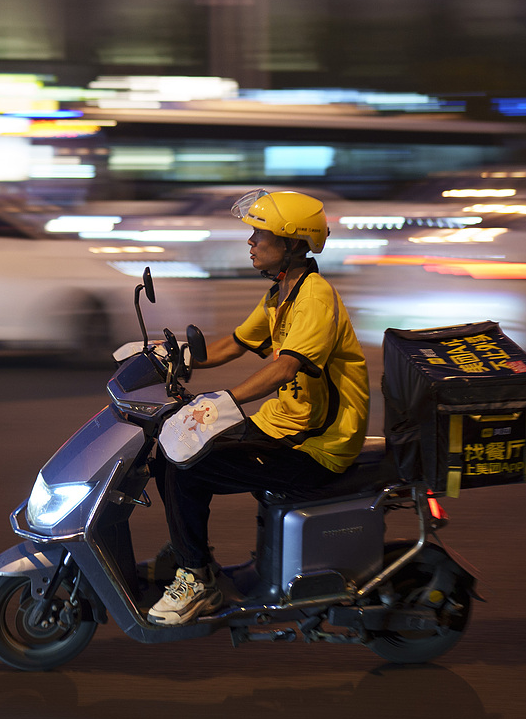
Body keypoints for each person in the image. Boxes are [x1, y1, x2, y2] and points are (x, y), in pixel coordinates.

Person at [147, 189, 370, 626]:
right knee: (167, 450)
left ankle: (197, 580)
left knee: (188, 467)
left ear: (290, 244)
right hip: (283, 427)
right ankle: (189, 550)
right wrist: (173, 357)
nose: (250, 242)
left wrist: (224, 400)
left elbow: (286, 368)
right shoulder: (280, 293)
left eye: (259, 235)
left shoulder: (314, 297)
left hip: (317, 448)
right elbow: (234, 343)